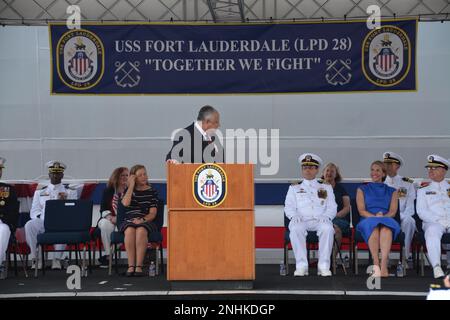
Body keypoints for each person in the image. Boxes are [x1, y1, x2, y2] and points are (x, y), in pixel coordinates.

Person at [284, 153, 337, 277]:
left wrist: (327, 216)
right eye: (304, 167)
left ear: (317, 170)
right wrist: (293, 216)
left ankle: (323, 266)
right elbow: (289, 206)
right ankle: (301, 266)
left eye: (310, 167)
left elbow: (332, 206)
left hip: (320, 219)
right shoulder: (294, 188)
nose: (307, 170)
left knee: (328, 229)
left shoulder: (326, 187)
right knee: (296, 228)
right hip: (301, 219)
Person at [25, 161, 77, 270]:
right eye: (53, 173)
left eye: (58, 173)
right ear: (49, 175)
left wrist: (63, 203)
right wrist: (43, 217)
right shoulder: (40, 192)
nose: (55, 176)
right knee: (29, 225)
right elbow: (34, 212)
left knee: (63, 225)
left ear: (62, 175)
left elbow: (73, 211)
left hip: (61, 222)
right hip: (44, 222)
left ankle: (57, 259)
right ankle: (36, 258)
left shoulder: (70, 191)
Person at [356, 160, 400, 277]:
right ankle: (376, 264)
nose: (374, 173)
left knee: (386, 229)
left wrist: (382, 217)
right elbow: (361, 210)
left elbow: (393, 212)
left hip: (386, 218)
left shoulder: (393, 191)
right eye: (372, 170)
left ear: (383, 174)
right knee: (374, 227)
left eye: (377, 170)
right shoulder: (362, 189)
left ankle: (384, 265)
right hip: (368, 218)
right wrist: (375, 217)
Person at [120, 164, 159, 277]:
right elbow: (125, 204)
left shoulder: (152, 191)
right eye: (140, 175)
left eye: (145, 174)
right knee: (130, 230)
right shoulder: (128, 190)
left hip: (146, 220)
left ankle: (139, 267)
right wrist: (131, 186)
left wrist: (142, 220)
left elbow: (153, 213)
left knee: (141, 230)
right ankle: (130, 266)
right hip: (130, 219)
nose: (144, 177)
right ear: (134, 178)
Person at [416, 154, 450, 279]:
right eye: (429, 168)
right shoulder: (423, 190)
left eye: (434, 168)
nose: (430, 170)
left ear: (443, 170)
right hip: (433, 222)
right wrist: (439, 220)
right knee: (432, 231)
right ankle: (437, 266)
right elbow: (421, 212)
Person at [383, 151, 417, 266]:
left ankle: (405, 257)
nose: (386, 166)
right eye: (385, 164)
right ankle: (384, 257)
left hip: (403, 216)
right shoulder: (380, 182)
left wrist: (400, 216)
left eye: (389, 164)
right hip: (385, 216)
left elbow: (410, 206)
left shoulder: (407, 183)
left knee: (410, 221)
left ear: (397, 166)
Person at [97, 167, 129, 267]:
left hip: (126, 219)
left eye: (126, 175)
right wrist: (111, 217)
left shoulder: (130, 190)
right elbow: (103, 209)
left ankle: (108, 257)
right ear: (116, 177)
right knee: (106, 225)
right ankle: (108, 253)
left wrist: (120, 219)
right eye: (122, 175)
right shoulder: (108, 190)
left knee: (128, 229)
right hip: (110, 218)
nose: (125, 177)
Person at [321, 163, 350, 257]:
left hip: (338, 219)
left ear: (336, 174)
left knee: (335, 229)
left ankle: (330, 259)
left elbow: (347, 207)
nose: (329, 173)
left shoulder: (341, 189)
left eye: (332, 171)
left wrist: (335, 215)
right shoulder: (317, 188)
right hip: (321, 219)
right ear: (323, 173)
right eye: (327, 170)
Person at [0, 157, 18, 279]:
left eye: (0, 170)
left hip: (1, 222)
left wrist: (7, 222)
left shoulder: (8, 189)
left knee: (3, 230)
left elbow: (13, 210)